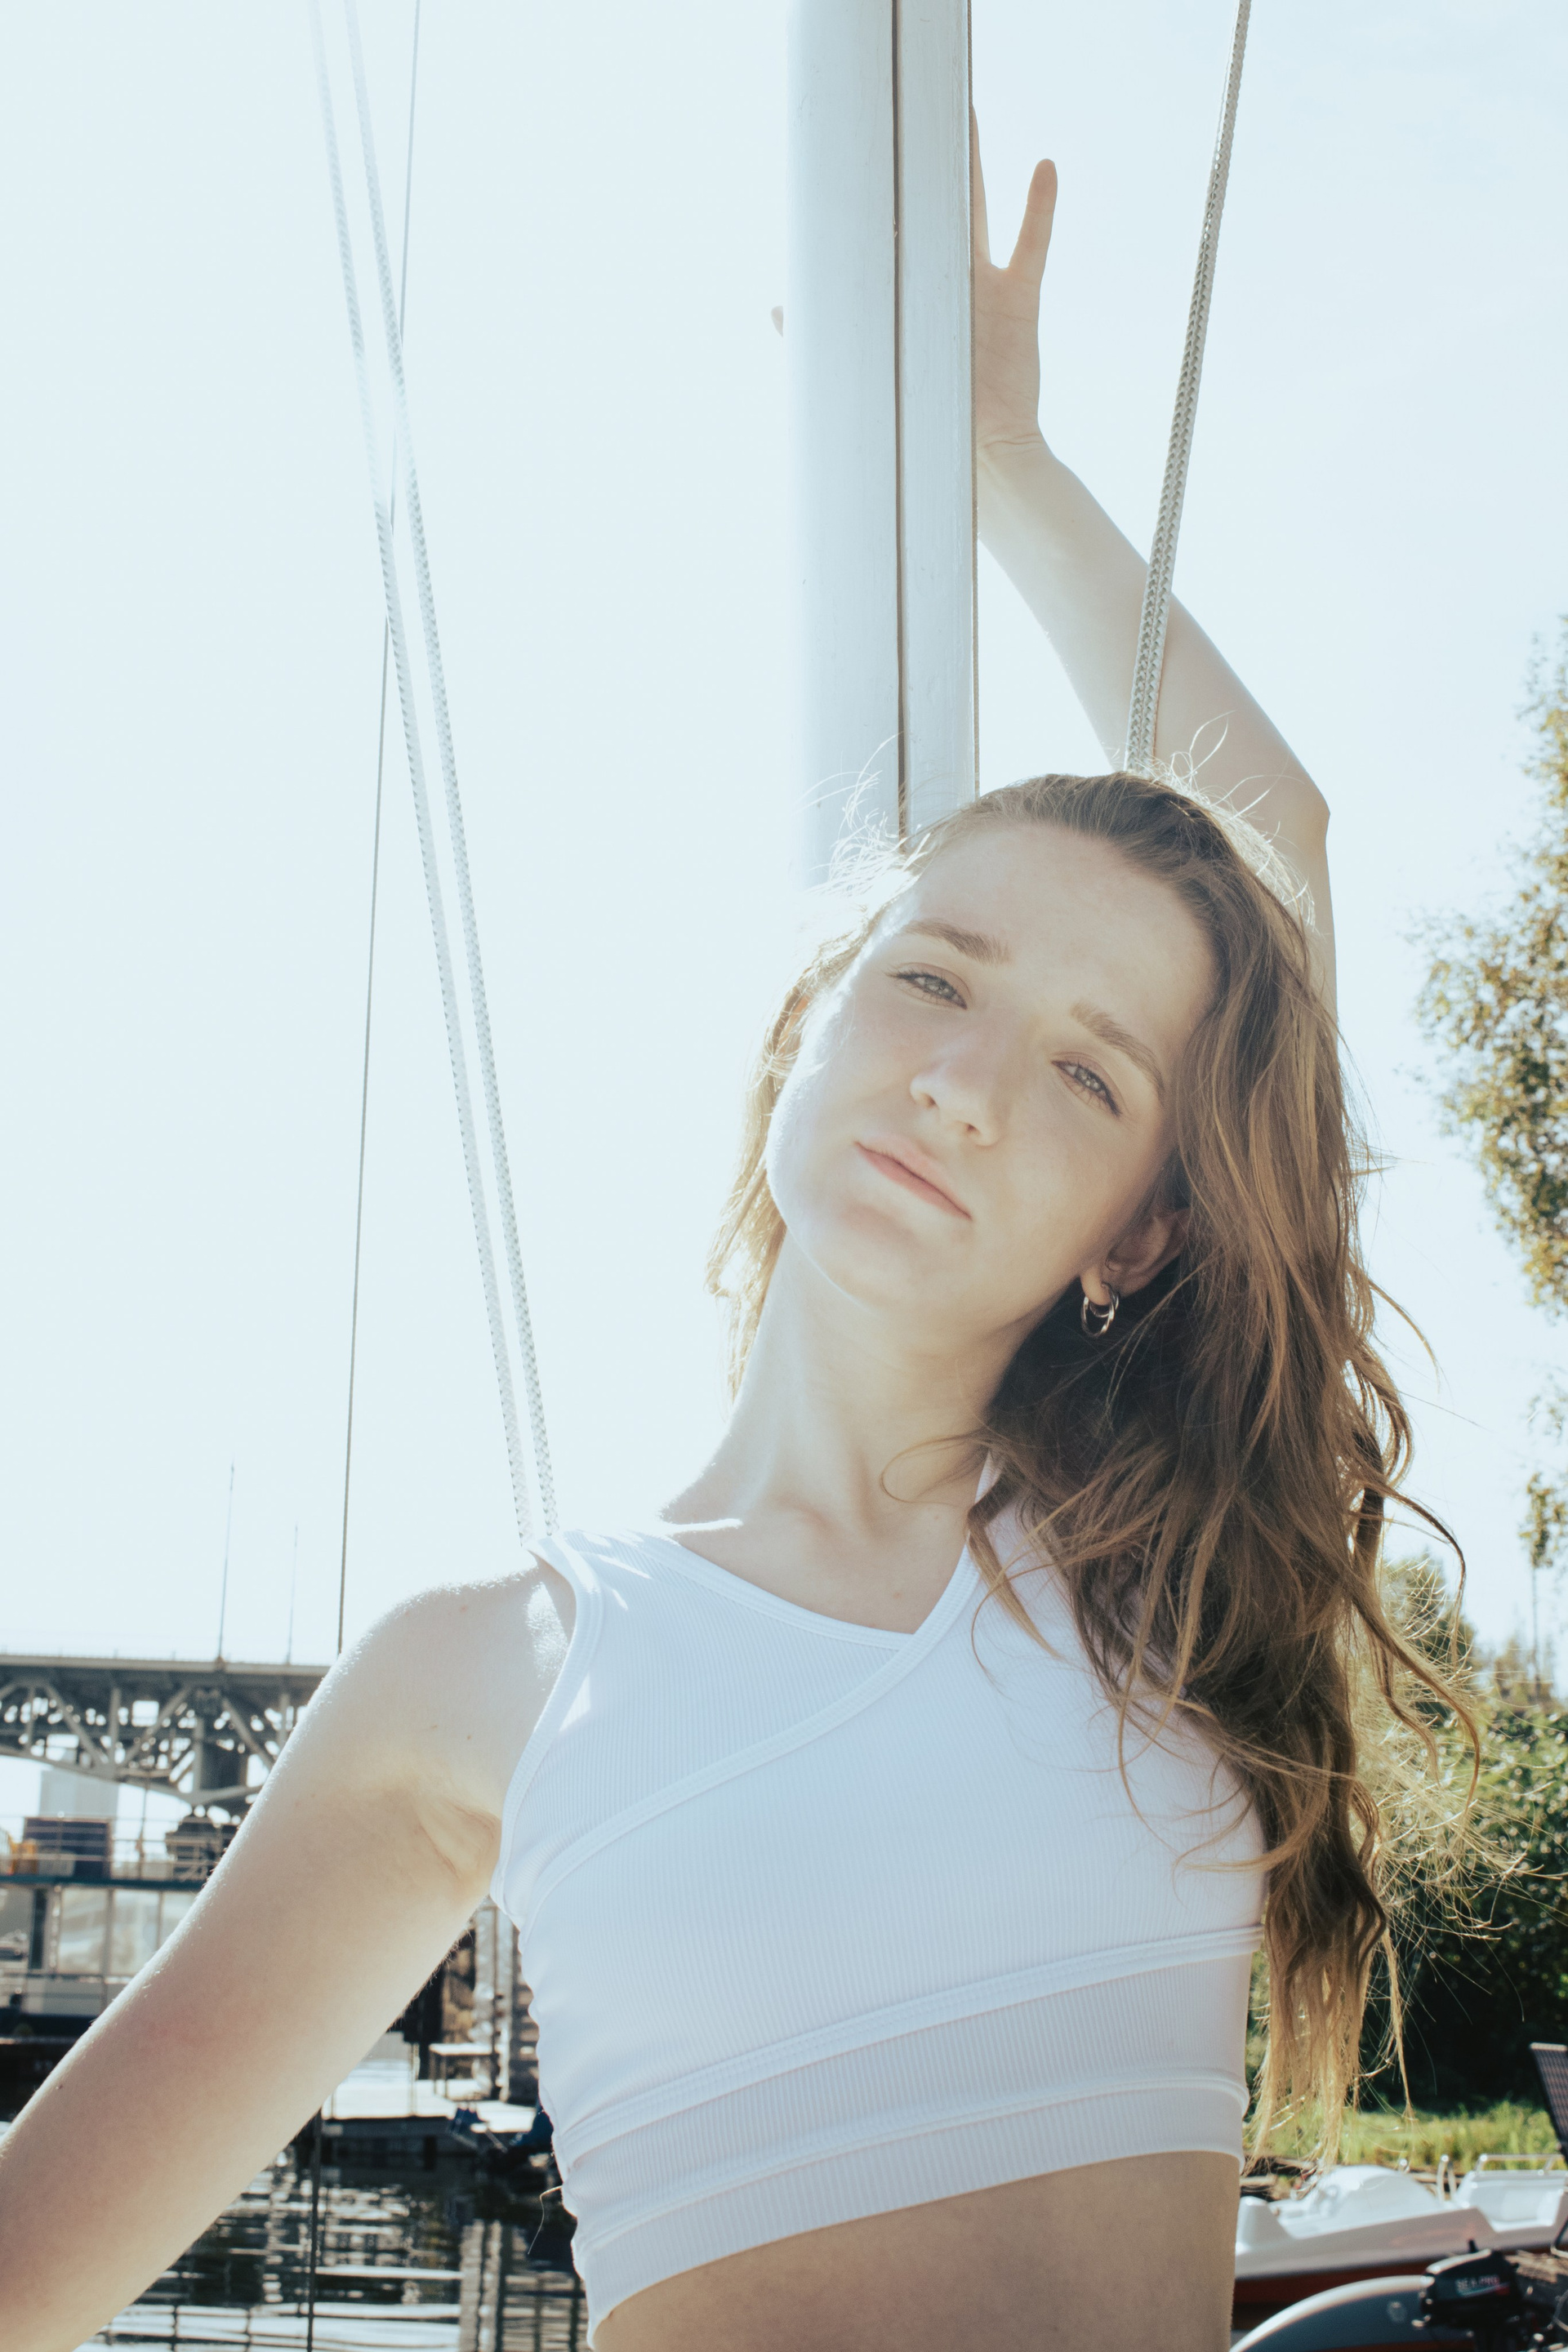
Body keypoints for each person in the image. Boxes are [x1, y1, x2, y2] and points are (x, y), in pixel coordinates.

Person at [0, 145, 1457, 2352]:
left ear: (1145, 1230)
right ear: (816, 1020)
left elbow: (1286, 839)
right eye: (934, 978)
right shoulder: (484, 1670)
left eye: (1087, 1075)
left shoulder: (1148, 1578)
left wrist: (1002, 463)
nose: (964, 1083)